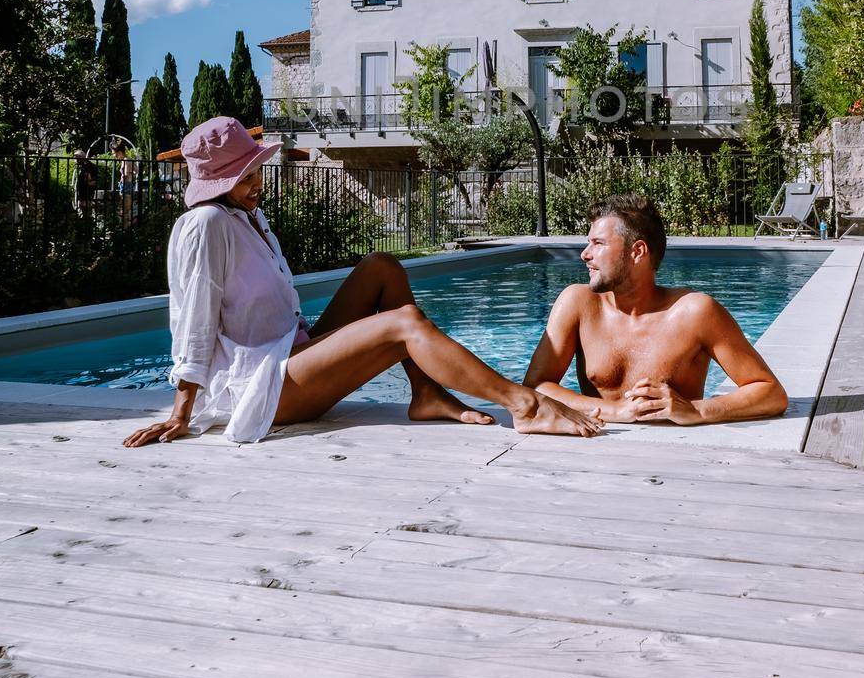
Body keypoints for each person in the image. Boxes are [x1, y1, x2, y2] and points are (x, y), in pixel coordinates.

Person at [124, 116, 601, 449]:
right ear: (217, 182)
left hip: (290, 353)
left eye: (254, 171)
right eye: (244, 176)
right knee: (404, 324)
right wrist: (181, 410)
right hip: (260, 386)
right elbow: (195, 319)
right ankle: (525, 406)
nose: (257, 183)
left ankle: (427, 394)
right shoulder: (205, 225)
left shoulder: (247, 216)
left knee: (382, 268)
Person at [523, 194, 788, 426]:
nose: (585, 254)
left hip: (673, 457)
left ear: (637, 251)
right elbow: (535, 385)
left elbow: (770, 392)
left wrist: (697, 410)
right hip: (596, 451)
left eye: (598, 243)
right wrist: (618, 411)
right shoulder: (578, 304)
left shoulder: (695, 312)